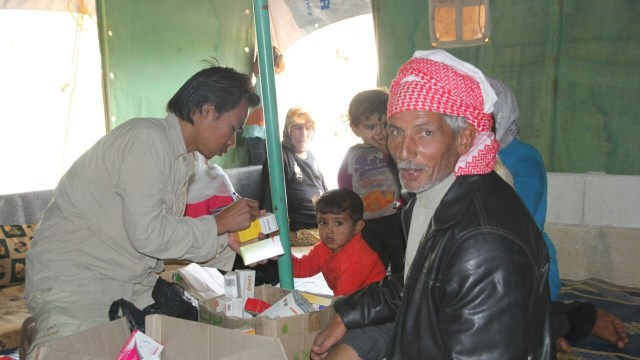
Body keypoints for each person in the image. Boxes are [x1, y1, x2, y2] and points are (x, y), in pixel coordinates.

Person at [311, 50, 554, 360]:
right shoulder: (434, 198)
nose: (404, 150)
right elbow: (421, 284)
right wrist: (349, 314)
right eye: (396, 131)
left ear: (464, 138)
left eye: (425, 132)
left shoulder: (485, 244)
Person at [24, 64, 261, 357]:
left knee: (191, 338)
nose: (232, 140)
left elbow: (164, 237)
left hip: (127, 280)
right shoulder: (147, 139)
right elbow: (148, 235)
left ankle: (40, 332)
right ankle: (44, 333)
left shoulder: (183, 160)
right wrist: (219, 223)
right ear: (207, 110)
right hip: (78, 282)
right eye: (233, 129)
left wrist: (230, 241)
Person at [489, 77, 628, 352]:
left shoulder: (522, 159)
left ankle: (568, 321)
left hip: (525, 265)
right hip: (487, 263)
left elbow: (509, 228)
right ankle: (557, 325)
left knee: (490, 309)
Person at [338, 89, 405, 274]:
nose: (380, 132)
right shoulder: (353, 154)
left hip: (396, 217)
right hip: (367, 221)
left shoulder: (397, 148)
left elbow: (405, 176)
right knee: (373, 262)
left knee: (402, 260)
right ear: (355, 128)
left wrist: (388, 151)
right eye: (371, 127)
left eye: (385, 125)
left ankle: (401, 292)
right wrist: (350, 217)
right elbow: (345, 184)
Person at [291, 189, 386, 297]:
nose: (329, 230)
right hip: (351, 302)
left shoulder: (358, 256)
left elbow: (342, 298)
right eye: (323, 222)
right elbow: (302, 268)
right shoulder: (323, 248)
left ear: (357, 227)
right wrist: (282, 254)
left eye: (338, 223)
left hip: (374, 305)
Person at [260, 107, 328, 247]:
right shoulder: (280, 157)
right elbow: (268, 201)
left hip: (322, 224)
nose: (303, 134)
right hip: (298, 232)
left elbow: (326, 192)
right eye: (298, 128)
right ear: (288, 130)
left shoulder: (311, 157)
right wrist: (270, 237)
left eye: (308, 128)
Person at [243, 46, 285, 165]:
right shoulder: (266, 82)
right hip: (262, 131)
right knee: (264, 165)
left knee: (258, 165)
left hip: (257, 130)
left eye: (256, 62)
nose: (253, 65)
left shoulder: (263, 80)